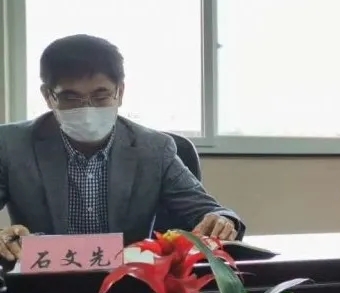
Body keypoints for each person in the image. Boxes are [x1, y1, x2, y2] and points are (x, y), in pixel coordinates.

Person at [0, 34, 243, 261]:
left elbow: (208, 210)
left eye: (101, 96)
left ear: (120, 92)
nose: (87, 109)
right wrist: (4, 238)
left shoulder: (154, 149)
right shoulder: (11, 144)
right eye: (71, 98)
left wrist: (221, 220)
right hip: (42, 281)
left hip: (128, 282)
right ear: (48, 96)